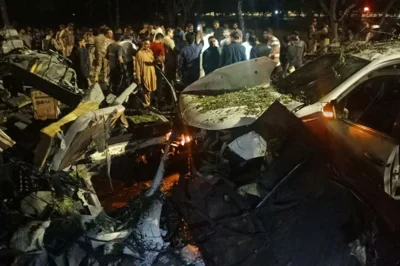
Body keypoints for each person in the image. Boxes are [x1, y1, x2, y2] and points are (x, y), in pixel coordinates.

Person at [135, 38, 157, 106]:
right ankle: (146, 104)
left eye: (149, 44)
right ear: (143, 44)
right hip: (144, 73)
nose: (148, 46)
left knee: (151, 90)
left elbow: (153, 61)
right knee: (146, 89)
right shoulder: (139, 53)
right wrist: (138, 75)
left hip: (152, 73)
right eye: (146, 44)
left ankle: (149, 103)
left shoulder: (150, 52)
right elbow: (137, 65)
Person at [150, 33, 166, 105]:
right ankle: (159, 97)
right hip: (158, 66)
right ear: (160, 39)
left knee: (151, 80)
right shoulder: (161, 46)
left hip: (150, 66)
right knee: (159, 82)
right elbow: (163, 58)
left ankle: (151, 96)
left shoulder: (150, 44)